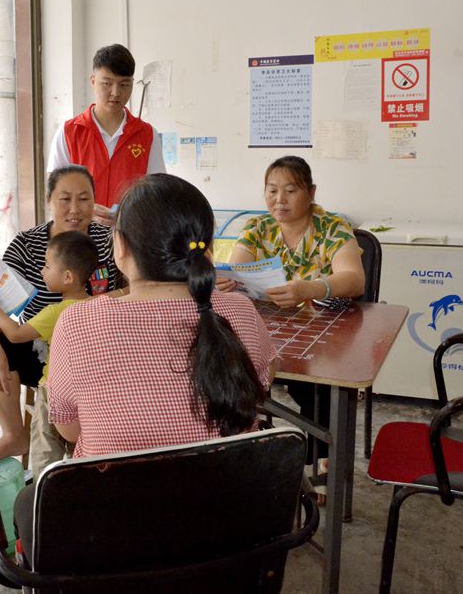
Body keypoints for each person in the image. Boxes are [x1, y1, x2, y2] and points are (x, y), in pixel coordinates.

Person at [47, 173, 276, 457]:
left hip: (116, 485)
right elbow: (261, 386)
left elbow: (69, 429)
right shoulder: (242, 311)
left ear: (121, 246)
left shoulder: (77, 323)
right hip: (227, 484)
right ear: (208, 248)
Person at [217, 155, 365, 503]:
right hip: (273, 329)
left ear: (311, 192)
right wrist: (229, 281)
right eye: (271, 190)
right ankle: (250, 456)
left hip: (323, 331)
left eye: (290, 190)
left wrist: (311, 288)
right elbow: (237, 269)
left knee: (315, 385)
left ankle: (322, 458)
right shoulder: (258, 227)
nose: (279, 200)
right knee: (232, 371)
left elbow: (354, 279)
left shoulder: (332, 227)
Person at [0, 166, 118, 464]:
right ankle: (13, 435)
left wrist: (105, 300)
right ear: (49, 201)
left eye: (84, 199)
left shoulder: (110, 241)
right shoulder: (28, 244)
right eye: (65, 199)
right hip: (41, 347)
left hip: (97, 350)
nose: (75, 209)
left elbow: (138, 285)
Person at [0, 230, 98, 476]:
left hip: (53, 392)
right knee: (80, 453)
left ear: (67, 276)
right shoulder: (97, 306)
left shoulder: (55, 312)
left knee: (45, 453)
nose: (42, 272)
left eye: (47, 266)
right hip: (87, 393)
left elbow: (14, 334)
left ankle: (43, 491)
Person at [45, 44, 164, 226]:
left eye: (124, 84)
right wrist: (85, 211)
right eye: (107, 83)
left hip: (128, 233)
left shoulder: (147, 135)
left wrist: (126, 216)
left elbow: (156, 193)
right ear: (93, 81)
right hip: (81, 233)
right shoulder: (69, 132)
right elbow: (54, 191)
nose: (116, 93)